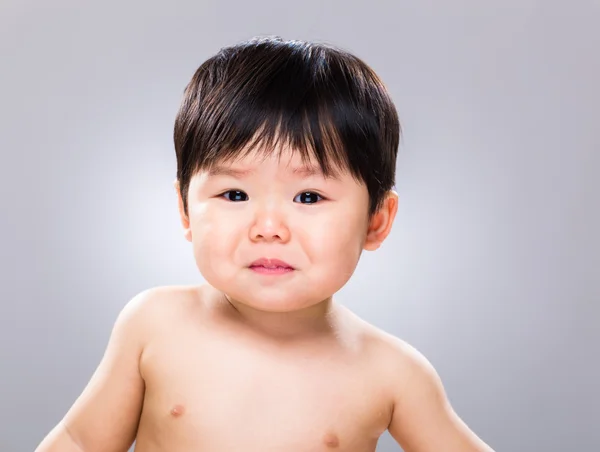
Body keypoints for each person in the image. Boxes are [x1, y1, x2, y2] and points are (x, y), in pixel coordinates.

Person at [36, 36, 494, 452]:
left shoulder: (390, 372)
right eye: (235, 194)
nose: (268, 227)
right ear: (185, 210)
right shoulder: (155, 325)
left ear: (376, 220)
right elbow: (80, 440)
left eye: (309, 196)